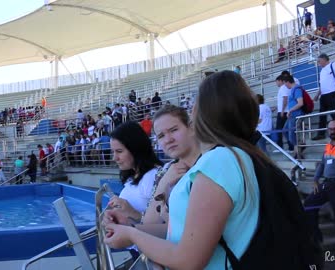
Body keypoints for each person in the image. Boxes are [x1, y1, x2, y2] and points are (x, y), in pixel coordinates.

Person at [104, 71, 265, 269]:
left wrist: (132, 234)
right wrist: (131, 226)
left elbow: (190, 259)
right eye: (161, 135)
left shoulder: (218, 161)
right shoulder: (237, 156)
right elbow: (178, 232)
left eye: (174, 129)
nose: (193, 111)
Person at [104, 105, 201, 235]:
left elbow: (188, 230)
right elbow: (149, 223)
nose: (168, 139)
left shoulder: (210, 164)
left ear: (191, 127)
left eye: (174, 130)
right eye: (161, 135)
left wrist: (130, 227)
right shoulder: (165, 172)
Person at [108, 121, 162, 258]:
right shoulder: (133, 176)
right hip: (138, 250)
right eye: (113, 152)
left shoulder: (153, 177)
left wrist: (131, 212)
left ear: (136, 148)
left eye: (119, 151)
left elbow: (167, 226)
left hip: (151, 255)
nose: (115, 158)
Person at [304, 120, 335, 254]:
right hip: (326, 184)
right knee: (308, 204)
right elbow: (322, 164)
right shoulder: (328, 146)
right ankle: (315, 237)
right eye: (330, 129)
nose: (333, 132)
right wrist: (315, 180)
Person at [312, 53, 335, 140]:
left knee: (333, 112)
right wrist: (317, 94)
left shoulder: (333, 65)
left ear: (324, 59)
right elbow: (322, 85)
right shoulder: (322, 71)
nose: (319, 63)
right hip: (324, 95)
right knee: (322, 114)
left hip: (332, 92)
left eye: (319, 61)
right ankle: (321, 133)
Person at [284, 75, 305, 157]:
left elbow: (300, 103)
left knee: (291, 134)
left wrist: (290, 110)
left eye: (285, 84)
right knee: (285, 130)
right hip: (292, 115)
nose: (285, 86)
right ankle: (298, 147)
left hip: (296, 114)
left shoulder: (297, 89)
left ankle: (298, 150)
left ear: (288, 82)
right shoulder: (293, 90)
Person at [274, 75, 293, 151]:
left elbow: (285, 99)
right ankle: (290, 146)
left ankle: (280, 147)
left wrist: (282, 111)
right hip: (286, 111)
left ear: (280, 81)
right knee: (286, 130)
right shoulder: (287, 88)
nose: (276, 84)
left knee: (279, 130)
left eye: (277, 82)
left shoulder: (283, 88)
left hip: (283, 112)